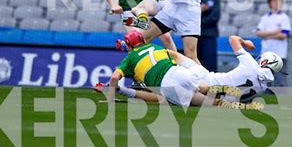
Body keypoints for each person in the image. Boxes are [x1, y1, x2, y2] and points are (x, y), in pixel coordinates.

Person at [102, 31, 262, 110]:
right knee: (203, 88)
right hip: (177, 71)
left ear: (129, 46)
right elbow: (174, 55)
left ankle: (244, 107)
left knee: (211, 103)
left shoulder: (128, 59)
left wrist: (111, 94)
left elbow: (115, 76)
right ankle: (231, 91)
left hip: (167, 85)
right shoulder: (155, 47)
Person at [255, 0, 291, 86]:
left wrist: (266, 35)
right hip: (266, 53)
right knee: (266, 77)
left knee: (280, 78)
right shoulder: (265, 18)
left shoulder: (284, 18)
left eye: (279, 1)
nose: (276, 3)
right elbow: (258, 32)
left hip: (280, 53)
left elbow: (283, 35)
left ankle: (280, 96)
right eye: (274, 1)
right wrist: (274, 32)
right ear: (270, 3)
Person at [198, 0, 221, 71]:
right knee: (196, 63)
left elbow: (215, 17)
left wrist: (200, 20)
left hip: (209, 35)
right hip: (195, 35)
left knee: (209, 63)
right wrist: (200, 10)